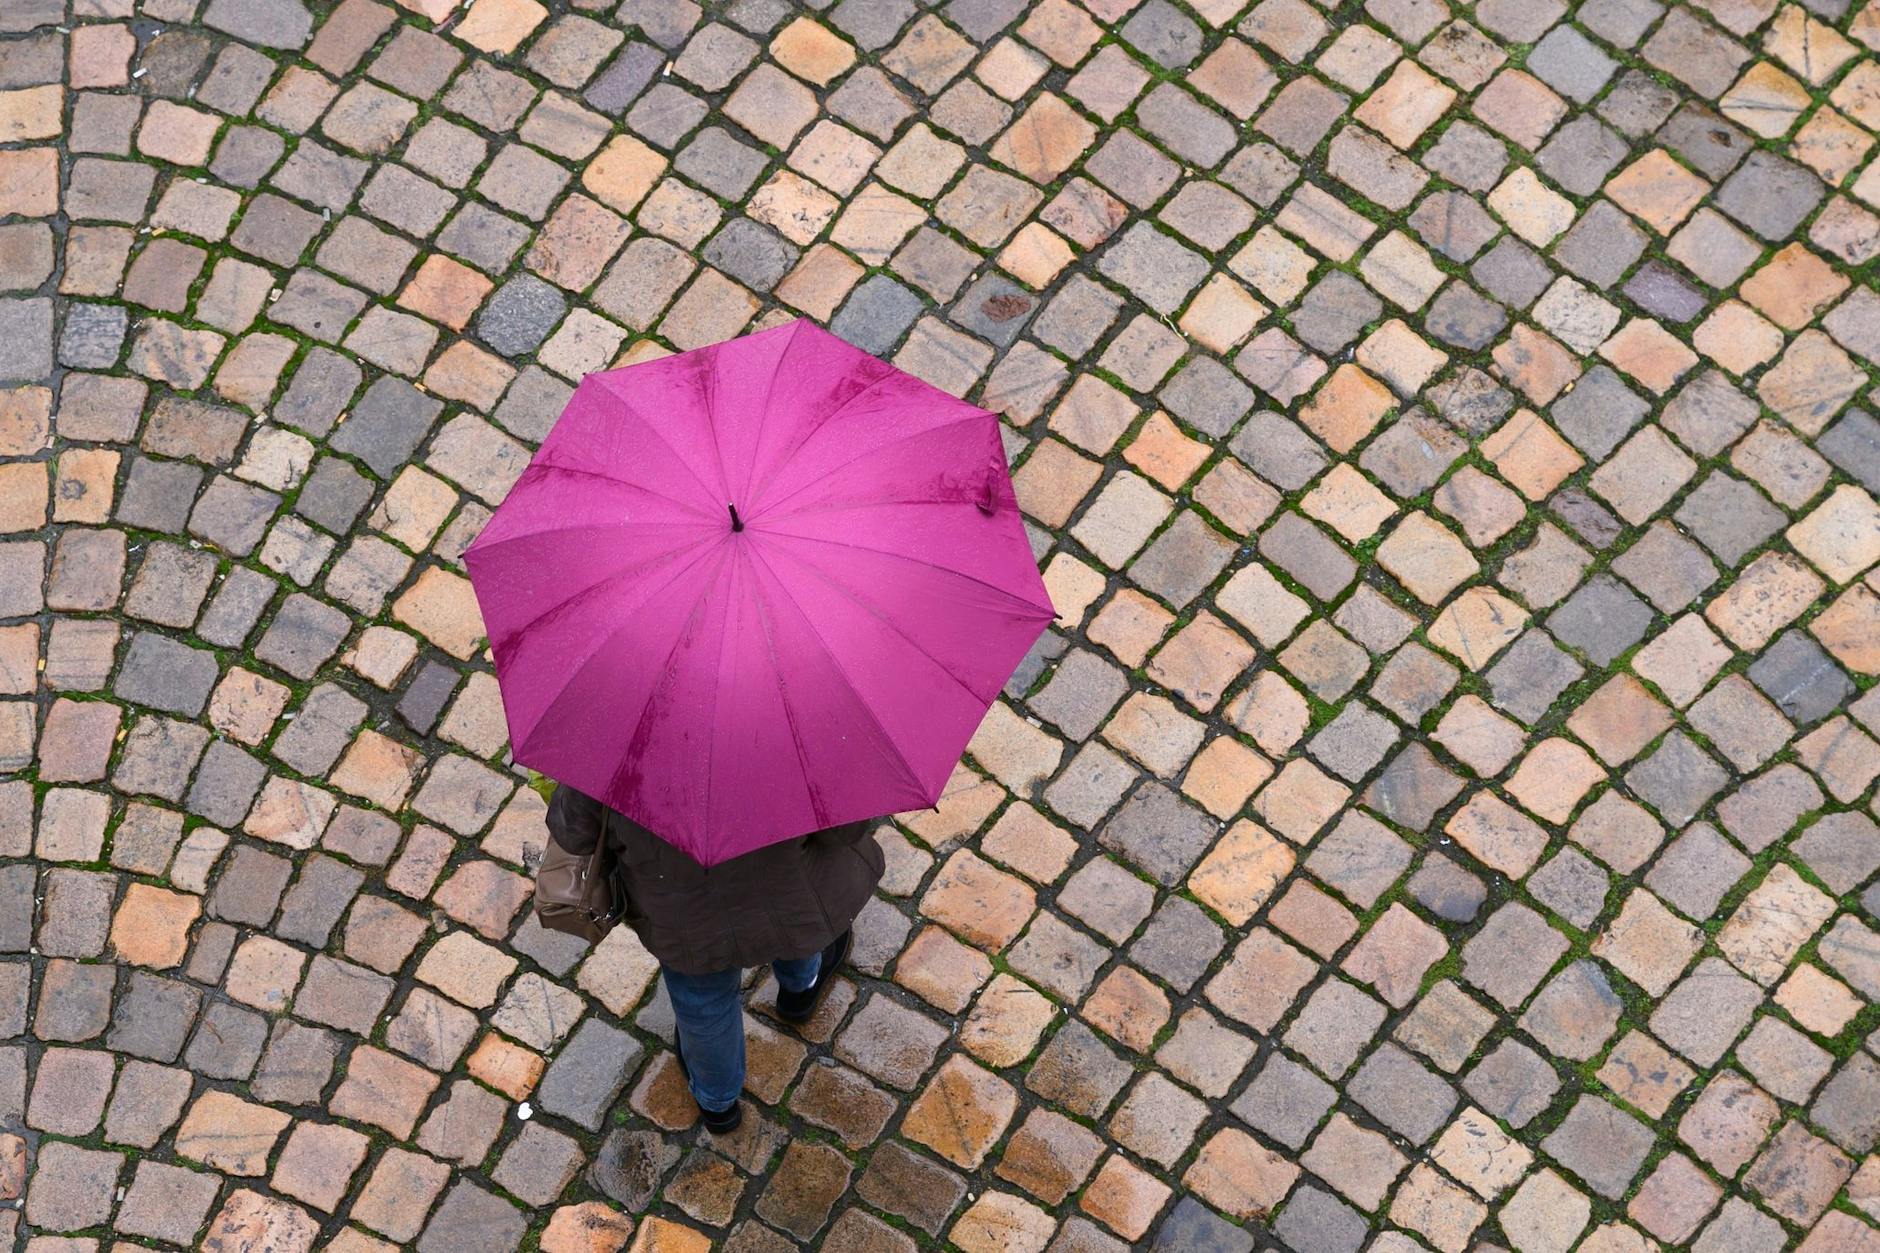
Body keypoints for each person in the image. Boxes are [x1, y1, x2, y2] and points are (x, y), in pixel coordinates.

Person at [543, 784, 884, 1134]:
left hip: (685, 924)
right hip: (788, 898)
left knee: (703, 1008)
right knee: (800, 938)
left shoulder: (616, 762)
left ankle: (717, 1104)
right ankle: (800, 992)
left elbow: (575, 834)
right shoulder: (799, 755)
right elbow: (846, 830)